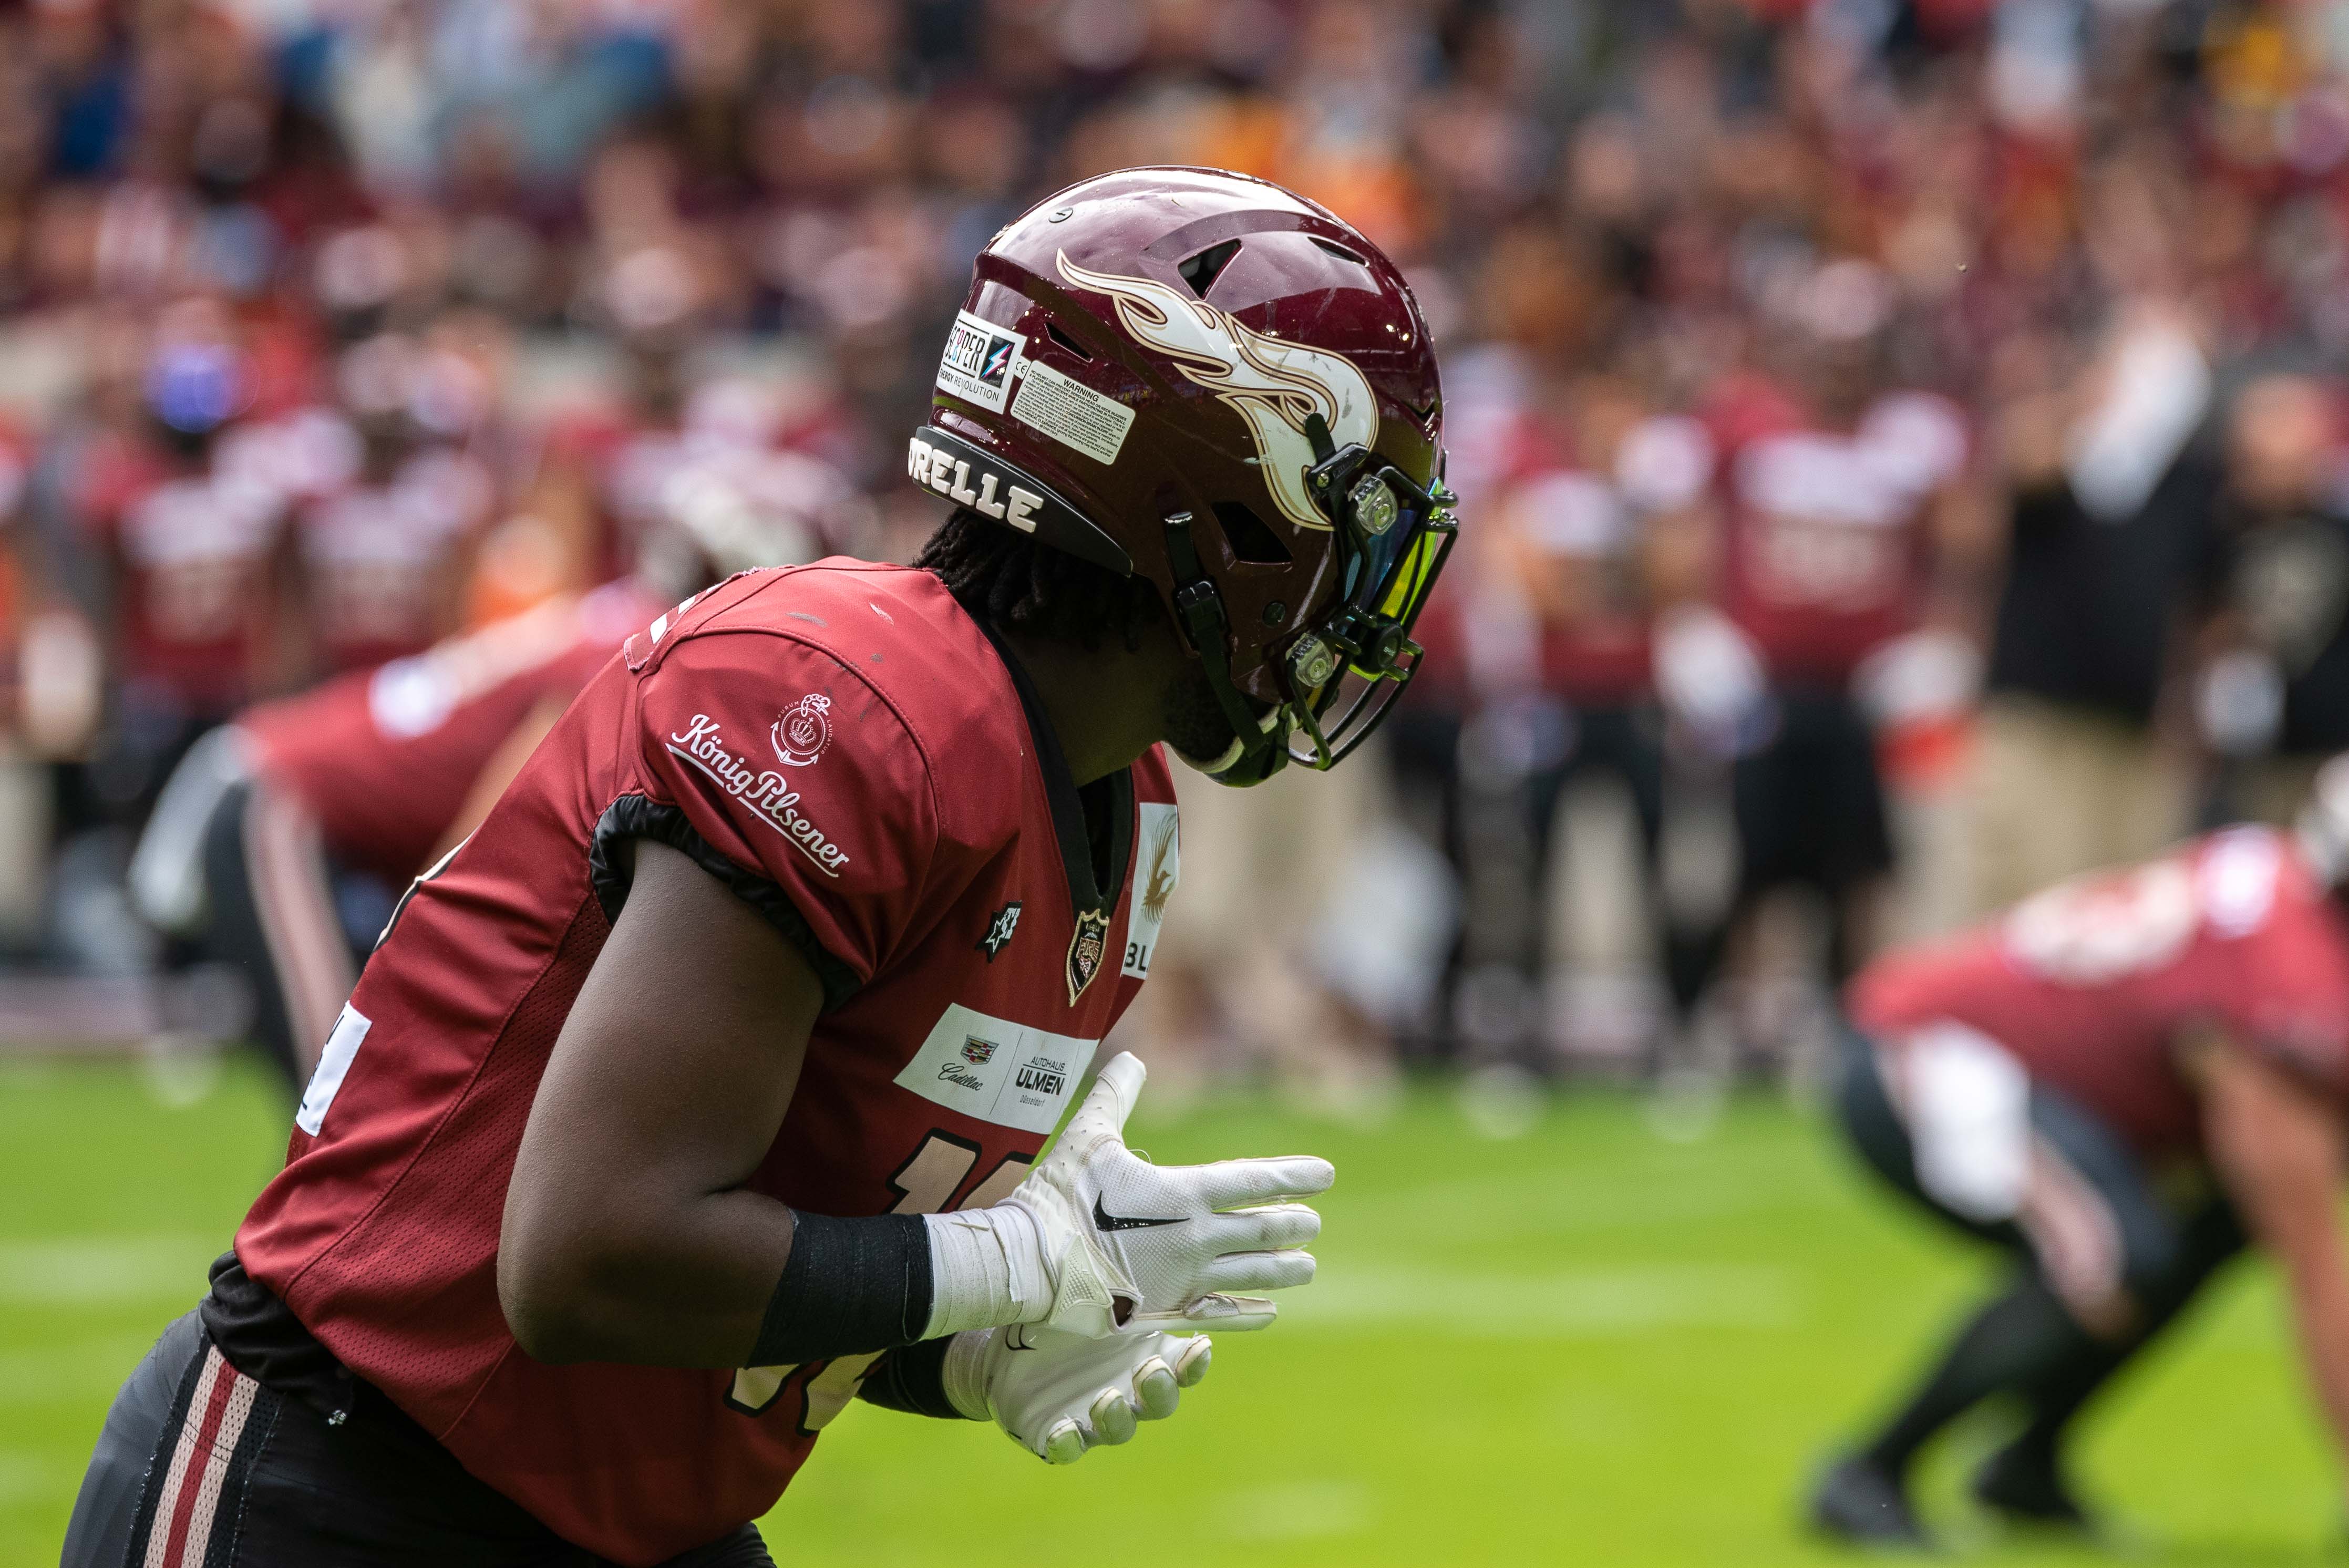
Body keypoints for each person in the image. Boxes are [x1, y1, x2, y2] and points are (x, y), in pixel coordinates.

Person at [63, 165, 1458, 1568]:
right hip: (357, 1481)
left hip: (647, 1517)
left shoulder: (1122, 810)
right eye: (1358, 519)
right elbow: (590, 1254)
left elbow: (794, 1246)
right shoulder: (852, 708)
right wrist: (1001, 1264)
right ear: (1214, 496)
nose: (1370, 588)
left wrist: (971, 1345)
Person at [1810, 757, 2349, 1546]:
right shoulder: (2283, 975)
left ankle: (2027, 1464)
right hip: (1932, 1057)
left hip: (2035, 1080)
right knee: (2111, 1255)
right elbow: (2312, 1263)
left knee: (2205, 1230)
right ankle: (1869, 1470)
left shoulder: (2275, 896)